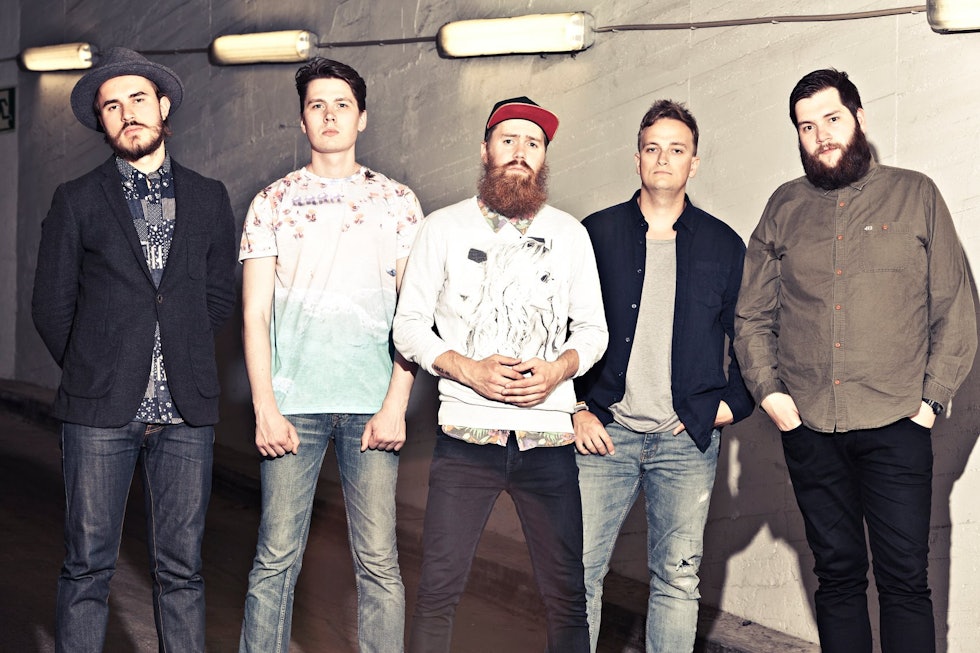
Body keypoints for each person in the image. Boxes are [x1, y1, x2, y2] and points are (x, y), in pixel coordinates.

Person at [734, 69, 977, 653]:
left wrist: (928, 403)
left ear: (859, 119)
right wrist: (773, 396)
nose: (821, 136)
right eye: (806, 126)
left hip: (897, 424)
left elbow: (956, 307)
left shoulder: (916, 194)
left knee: (904, 583)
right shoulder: (783, 207)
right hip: (811, 428)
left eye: (832, 119)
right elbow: (752, 314)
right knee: (837, 579)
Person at [31, 47, 237, 652]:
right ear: (102, 122)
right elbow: (51, 305)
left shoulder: (208, 196)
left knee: (182, 571)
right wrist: (95, 367)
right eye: (112, 106)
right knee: (87, 566)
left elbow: (217, 296)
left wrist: (183, 352)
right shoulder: (77, 198)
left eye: (138, 99)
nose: (127, 114)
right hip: (99, 410)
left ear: (163, 106)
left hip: (185, 412)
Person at [393, 96, 608, 653]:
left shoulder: (570, 234)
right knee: (438, 591)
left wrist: (558, 369)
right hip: (466, 440)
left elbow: (593, 331)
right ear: (485, 150)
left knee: (567, 597)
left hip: (549, 440)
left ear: (544, 158)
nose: (520, 152)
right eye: (508, 139)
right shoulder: (442, 228)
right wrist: (467, 370)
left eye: (533, 143)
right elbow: (408, 326)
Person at [238, 57, 423, 653]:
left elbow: (413, 316)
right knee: (275, 560)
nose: (330, 115)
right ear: (302, 120)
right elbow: (255, 314)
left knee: (379, 563)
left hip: (372, 408)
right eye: (317, 105)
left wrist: (396, 404)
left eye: (342, 104)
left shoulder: (397, 202)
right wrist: (265, 408)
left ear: (362, 117)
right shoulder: (272, 202)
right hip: (292, 408)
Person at [573, 100, 754, 652]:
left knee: (677, 581)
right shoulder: (594, 234)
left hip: (685, 442)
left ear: (693, 163)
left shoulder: (723, 244)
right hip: (603, 433)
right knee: (577, 572)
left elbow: (752, 336)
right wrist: (574, 408)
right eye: (652, 148)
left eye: (677, 150)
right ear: (637, 159)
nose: (663, 159)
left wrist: (730, 404)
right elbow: (557, 329)